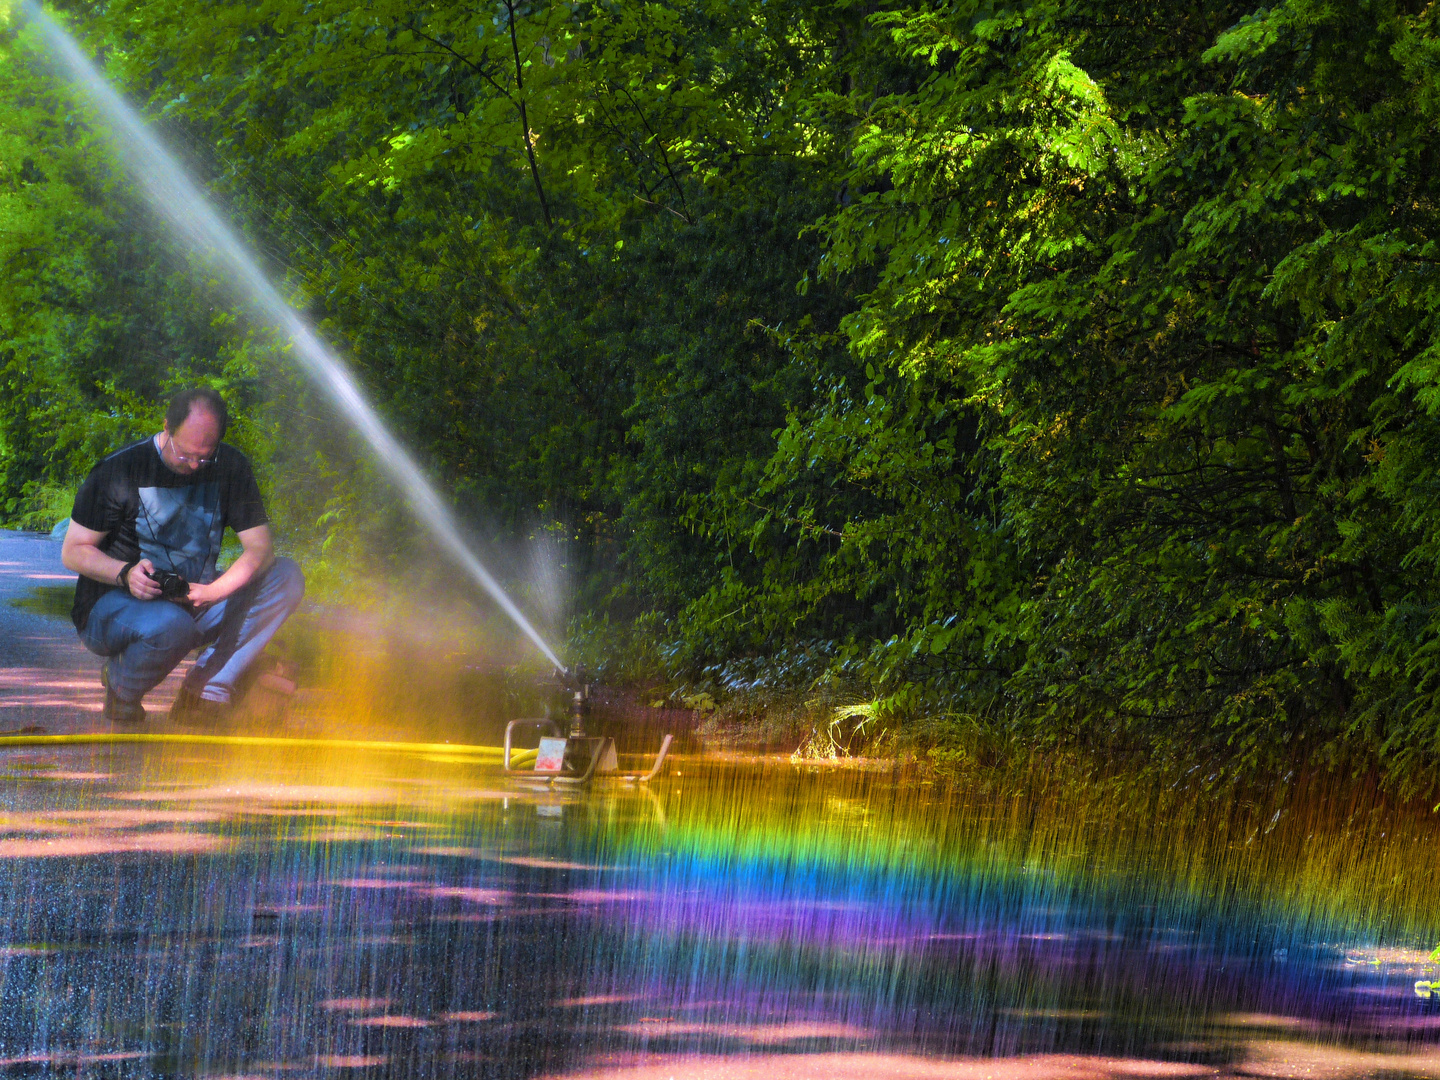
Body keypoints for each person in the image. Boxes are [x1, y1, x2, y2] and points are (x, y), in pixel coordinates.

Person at [61, 387, 305, 723]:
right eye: (186, 453)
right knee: (172, 625)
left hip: (193, 598)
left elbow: (260, 550)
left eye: (205, 456)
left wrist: (211, 592)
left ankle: (203, 692)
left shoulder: (231, 466)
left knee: (286, 576)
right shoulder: (119, 469)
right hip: (112, 607)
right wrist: (125, 572)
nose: (194, 464)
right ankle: (120, 686)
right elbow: (73, 551)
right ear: (166, 427)